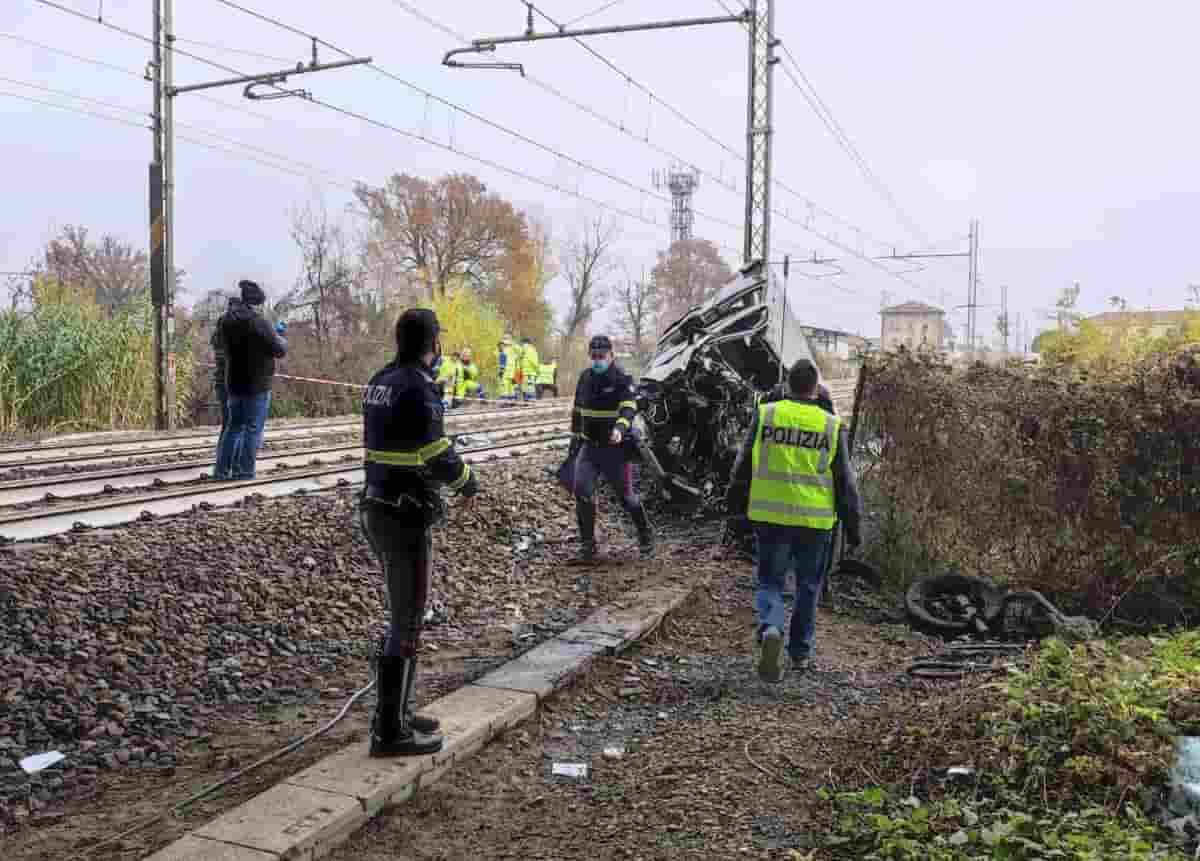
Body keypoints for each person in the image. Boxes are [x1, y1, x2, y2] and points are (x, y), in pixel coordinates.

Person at [360, 308, 479, 757]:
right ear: (434, 344)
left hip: (376, 504)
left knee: (402, 614)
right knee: (406, 618)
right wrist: (468, 480)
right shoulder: (419, 386)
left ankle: (399, 713)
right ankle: (390, 732)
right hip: (403, 512)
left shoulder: (381, 379)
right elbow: (436, 452)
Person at [725, 358, 862, 681]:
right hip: (815, 522)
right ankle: (799, 652)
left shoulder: (767, 414)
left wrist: (733, 507)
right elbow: (845, 481)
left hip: (770, 515)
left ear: (786, 385)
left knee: (770, 581)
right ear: (816, 388)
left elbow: (742, 464)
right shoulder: (830, 424)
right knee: (808, 586)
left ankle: (772, 626)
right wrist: (854, 527)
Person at [569, 334, 654, 561]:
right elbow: (577, 411)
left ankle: (645, 534)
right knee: (582, 492)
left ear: (611, 355)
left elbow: (629, 407)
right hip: (589, 447)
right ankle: (588, 546)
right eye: (594, 356)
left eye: (602, 356)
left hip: (615, 449)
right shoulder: (585, 378)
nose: (597, 361)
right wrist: (573, 444)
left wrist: (620, 428)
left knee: (626, 497)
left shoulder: (622, 378)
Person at [213, 280, 287, 481]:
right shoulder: (259, 322)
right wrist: (279, 335)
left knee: (232, 428)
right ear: (257, 303)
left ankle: (221, 472)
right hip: (257, 384)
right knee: (252, 429)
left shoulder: (225, 321)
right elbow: (279, 350)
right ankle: (244, 472)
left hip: (233, 383)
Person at [209, 293, 236, 480]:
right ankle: (226, 467)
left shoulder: (220, 329)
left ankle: (222, 466)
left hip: (221, 382)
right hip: (233, 383)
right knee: (234, 426)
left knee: (228, 425)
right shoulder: (234, 329)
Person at [519, 336, 540, 401]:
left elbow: (521, 361)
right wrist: (538, 371)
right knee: (529, 387)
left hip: (526, 372)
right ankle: (529, 400)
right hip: (530, 372)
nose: (522, 345)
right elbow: (534, 362)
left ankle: (528, 400)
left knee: (526, 387)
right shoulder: (531, 350)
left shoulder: (523, 350)